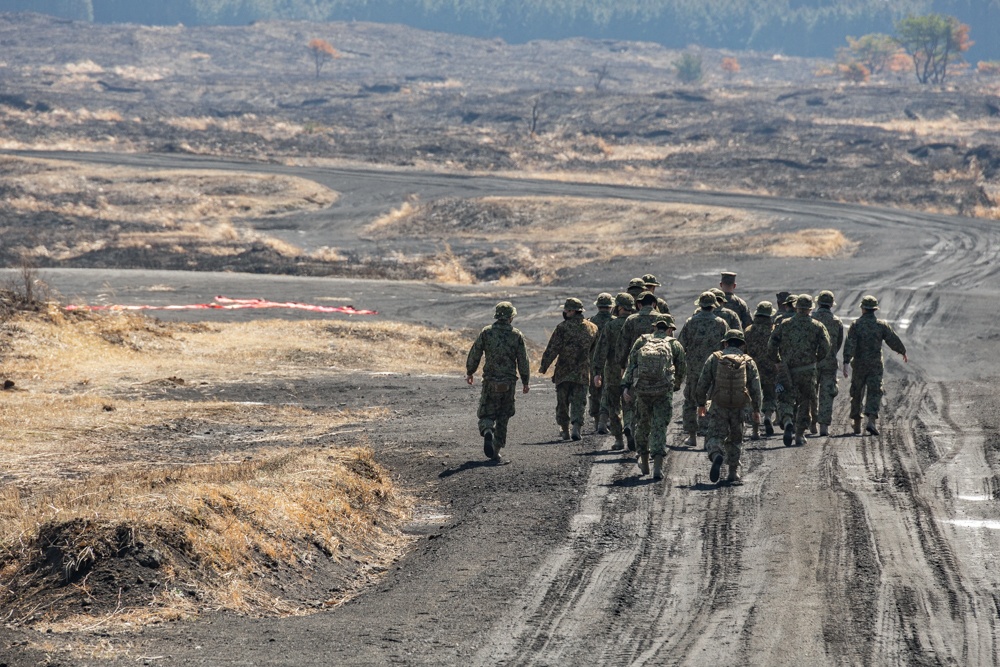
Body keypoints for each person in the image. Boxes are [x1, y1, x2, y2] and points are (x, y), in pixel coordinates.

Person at [622, 314, 685, 480]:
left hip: (642, 390)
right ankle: (657, 466)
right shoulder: (674, 344)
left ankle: (644, 462)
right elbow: (681, 368)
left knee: (643, 423)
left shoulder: (642, 341)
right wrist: (675, 385)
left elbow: (631, 365)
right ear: (670, 329)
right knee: (659, 426)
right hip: (663, 391)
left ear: (655, 327)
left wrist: (626, 387)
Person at [466, 301, 530, 463]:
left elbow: (475, 353)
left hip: (490, 380)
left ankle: (487, 429)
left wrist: (470, 372)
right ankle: (496, 451)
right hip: (508, 382)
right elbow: (523, 360)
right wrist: (525, 381)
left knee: (486, 412)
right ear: (511, 317)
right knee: (504, 415)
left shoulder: (487, 333)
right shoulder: (516, 335)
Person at [696, 329, 762, 484]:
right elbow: (755, 387)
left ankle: (716, 454)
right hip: (740, 405)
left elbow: (702, 383)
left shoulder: (715, 358)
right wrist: (757, 409)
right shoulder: (748, 361)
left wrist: (700, 404)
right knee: (736, 438)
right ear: (742, 345)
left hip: (719, 404)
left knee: (714, 435)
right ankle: (733, 472)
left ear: (725, 343)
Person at [767, 294, 831, 446]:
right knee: (805, 402)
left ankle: (788, 420)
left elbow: (771, 344)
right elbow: (826, 347)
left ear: (796, 307)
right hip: (807, 370)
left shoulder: (784, 324)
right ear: (810, 309)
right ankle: (799, 434)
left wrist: (776, 360)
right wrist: (816, 358)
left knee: (785, 397)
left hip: (787, 369)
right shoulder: (817, 326)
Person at [842, 295, 907, 436]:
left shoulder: (856, 325)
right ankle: (871, 420)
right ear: (875, 309)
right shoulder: (881, 325)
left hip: (859, 365)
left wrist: (846, 361)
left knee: (857, 392)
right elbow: (892, 339)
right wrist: (902, 351)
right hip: (875, 365)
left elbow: (850, 344)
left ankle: (857, 422)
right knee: (875, 391)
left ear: (863, 309)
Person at [539, 297, 599, 441]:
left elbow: (553, 348)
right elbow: (595, 351)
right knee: (579, 401)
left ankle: (565, 429)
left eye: (566, 310)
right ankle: (577, 427)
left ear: (572, 311)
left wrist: (544, 366)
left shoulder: (562, 327)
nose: (564, 312)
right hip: (582, 372)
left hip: (564, 371)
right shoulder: (593, 327)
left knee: (563, 402)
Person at [677, 292, 729, 448]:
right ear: (714, 305)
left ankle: (692, 436)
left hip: (694, 370)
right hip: (715, 369)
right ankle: (708, 437)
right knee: (712, 401)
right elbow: (727, 347)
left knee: (691, 402)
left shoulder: (690, 322)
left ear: (700, 305)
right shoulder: (721, 323)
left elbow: (681, 346)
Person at [592, 292, 636, 451]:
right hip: (633, 371)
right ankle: (631, 427)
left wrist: (597, 371)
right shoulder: (636, 323)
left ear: (619, 307)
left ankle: (618, 440)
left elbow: (601, 349)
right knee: (631, 404)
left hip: (612, 371)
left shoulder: (611, 325)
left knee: (613, 406)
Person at [616, 291, 660, 449]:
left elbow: (622, 345)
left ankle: (628, 423)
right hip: (657, 369)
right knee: (651, 402)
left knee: (628, 399)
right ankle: (647, 438)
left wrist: (622, 366)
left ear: (639, 304)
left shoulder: (631, 319)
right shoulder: (661, 320)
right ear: (654, 304)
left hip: (634, 366)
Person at [812, 290, 844, 436]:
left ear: (818, 302)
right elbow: (838, 343)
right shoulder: (837, 321)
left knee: (810, 392)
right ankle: (824, 425)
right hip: (829, 361)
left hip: (812, 361)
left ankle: (810, 422)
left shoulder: (811, 318)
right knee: (827, 393)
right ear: (831, 304)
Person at [743, 301, 777, 439]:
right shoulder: (773, 331)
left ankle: (756, 430)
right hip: (770, 369)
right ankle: (768, 416)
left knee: (753, 399)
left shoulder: (748, 330)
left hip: (752, 369)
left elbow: (743, 351)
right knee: (770, 396)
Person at [588, 293, 615, 434]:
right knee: (609, 391)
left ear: (598, 306)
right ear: (611, 307)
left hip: (594, 362)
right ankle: (608, 419)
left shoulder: (591, 323)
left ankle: (597, 420)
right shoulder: (614, 322)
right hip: (611, 362)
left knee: (594, 391)